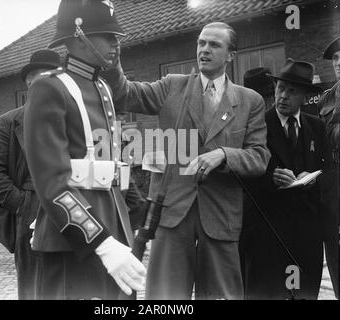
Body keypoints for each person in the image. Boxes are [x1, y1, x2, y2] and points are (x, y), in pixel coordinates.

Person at [103, 21, 270, 300]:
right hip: (171, 215)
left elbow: (259, 157)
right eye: (201, 43)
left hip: (221, 218)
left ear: (231, 55)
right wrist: (112, 62)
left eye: (214, 45)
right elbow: (126, 94)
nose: (204, 49)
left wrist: (224, 155)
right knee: (165, 299)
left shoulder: (249, 101)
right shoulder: (172, 86)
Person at [23, 0, 146, 300]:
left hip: (113, 230)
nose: (116, 44)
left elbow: (107, 165)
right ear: (79, 35)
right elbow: (52, 183)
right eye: (107, 36)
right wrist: (101, 241)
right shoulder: (49, 88)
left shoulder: (102, 87)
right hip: (72, 241)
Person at [241, 59, 326, 300]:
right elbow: (240, 176)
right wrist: (271, 179)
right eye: (280, 89)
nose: (284, 96)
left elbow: (327, 172)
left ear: (305, 96)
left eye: (292, 91)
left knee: (303, 293)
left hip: (305, 235)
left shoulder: (316, 127)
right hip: (266, 234)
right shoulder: (256, 126)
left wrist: (310, 178)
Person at [0, 49, 62, 300]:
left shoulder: (72, 121)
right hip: (31, 212)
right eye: (45, 78)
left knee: (71, 285)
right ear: (30, 82)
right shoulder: (7, 122)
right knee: (34, 289)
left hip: (74, 210)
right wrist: (25, 206)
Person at [318, 37, 340, 299]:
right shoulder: (326, 98)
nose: (338, 62)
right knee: (333, 246)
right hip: (332, 181)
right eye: (335, 58)